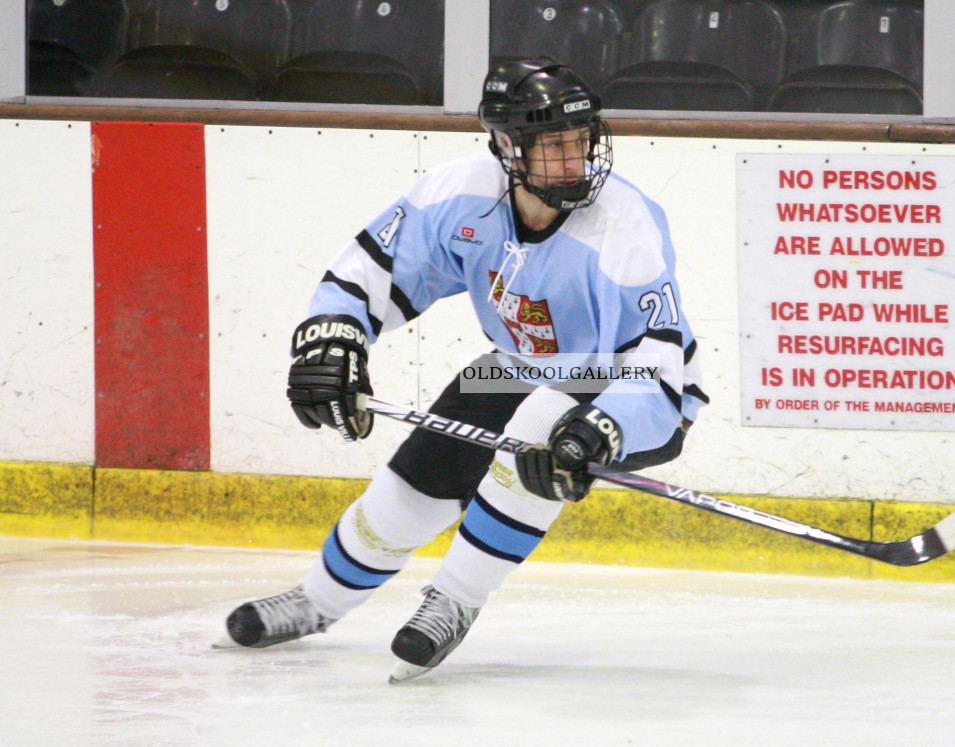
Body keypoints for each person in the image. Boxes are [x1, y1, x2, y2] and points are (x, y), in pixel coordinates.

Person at [221, 58, 707, 682]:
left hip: (636, 389)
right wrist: (334, 339)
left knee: (538, 426)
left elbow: (657, 360)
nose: (575, 161)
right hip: (513, 368)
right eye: (554, 145)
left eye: (581, 142)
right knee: (421, 475)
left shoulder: (626, 225)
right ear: (507, 145)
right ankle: (317, 601)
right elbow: (371, 273)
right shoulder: (458, 192)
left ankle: (454, 600)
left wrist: (602, 427)